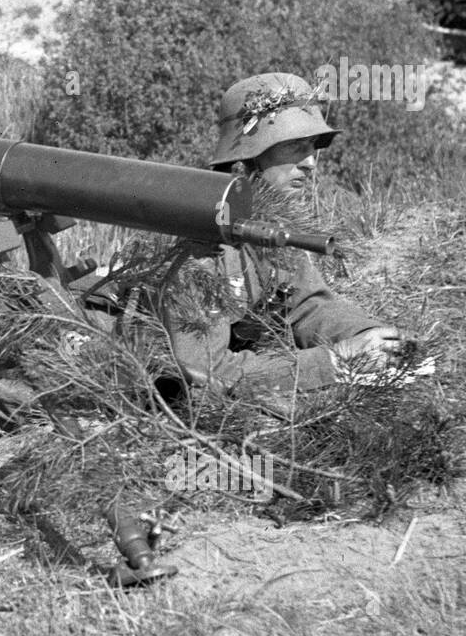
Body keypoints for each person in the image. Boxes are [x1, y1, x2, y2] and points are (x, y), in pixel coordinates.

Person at [159, 72, 410, 398]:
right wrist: (334, 360)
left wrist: (371, 336)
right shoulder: (200, 251)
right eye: (294, 147)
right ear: (245, 160)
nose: (310, 164)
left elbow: (308, 306)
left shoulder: (269, 227)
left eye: (311, 148)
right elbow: (206, 372)